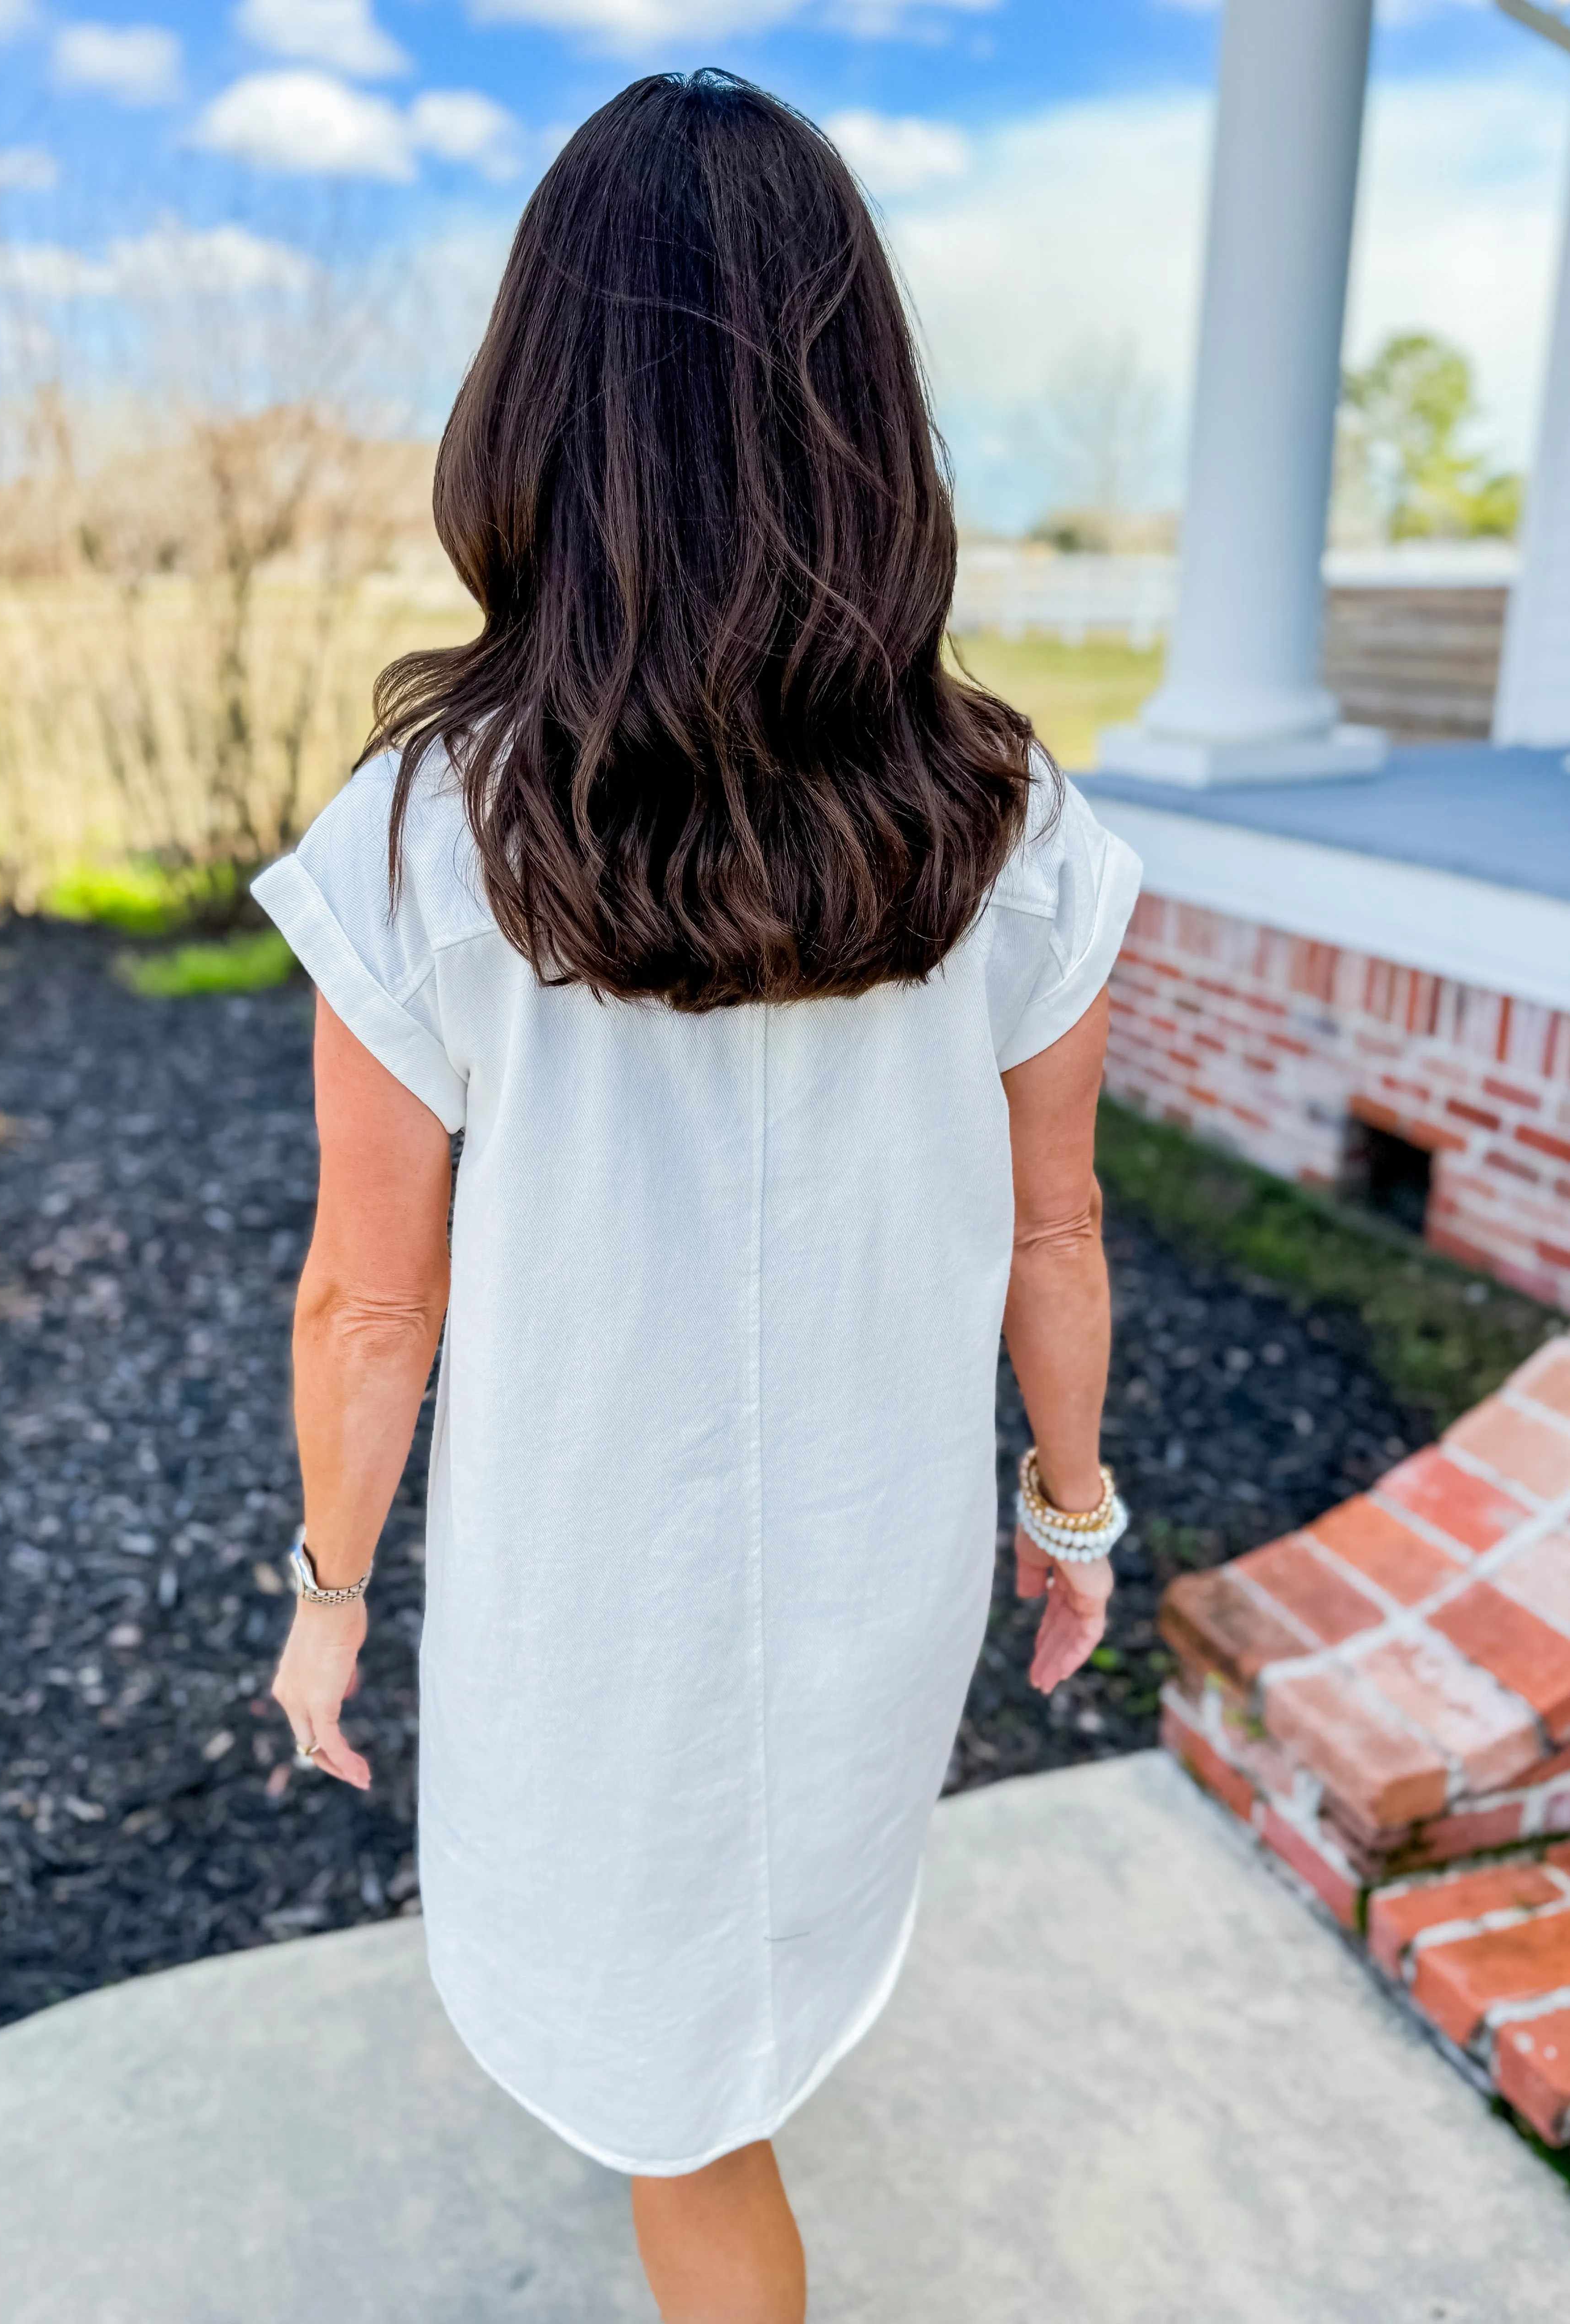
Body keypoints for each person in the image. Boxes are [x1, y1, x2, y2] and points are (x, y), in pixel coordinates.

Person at [255, 69, 1140, 2324]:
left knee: (684, 2107)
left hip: (595, 1611)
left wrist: (329, 1590)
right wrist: (1071, 1513)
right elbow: (1059, 1232)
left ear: (536, 412)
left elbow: (373, 1301)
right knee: (741, 2004)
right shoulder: (1004, 817)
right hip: (878, 1569)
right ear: (864, 411)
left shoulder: (427, 829)